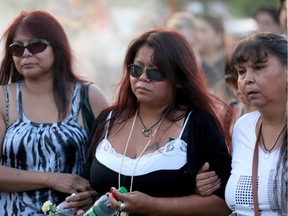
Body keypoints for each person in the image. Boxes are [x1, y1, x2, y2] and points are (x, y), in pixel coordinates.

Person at [74, 29, 233, 216]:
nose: (143, 78)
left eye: (155, 72)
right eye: (136, 69)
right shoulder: (108, 118)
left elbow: (224, 203)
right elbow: (91, 185)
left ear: (180, 79)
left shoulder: (198, 124)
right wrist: (83, 202)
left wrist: (154, 206)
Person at [0, 10, 108, 215]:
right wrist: (52, 179)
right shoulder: (2, 99)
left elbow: (114, 163)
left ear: (57, 48)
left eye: (36, 45)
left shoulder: (88, 96)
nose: (26, 54)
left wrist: (93, 194)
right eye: (17, 48)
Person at [196, 32, 287, 215]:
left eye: (259, 67)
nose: (247, 79)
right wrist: (206, 184)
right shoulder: (243, 127)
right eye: (241, 72)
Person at [195, 14, 235, 104]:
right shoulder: (193, 65)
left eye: (203, 30)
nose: (197, 36)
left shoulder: (232, 64)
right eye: (195, 31)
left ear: (219, 37)